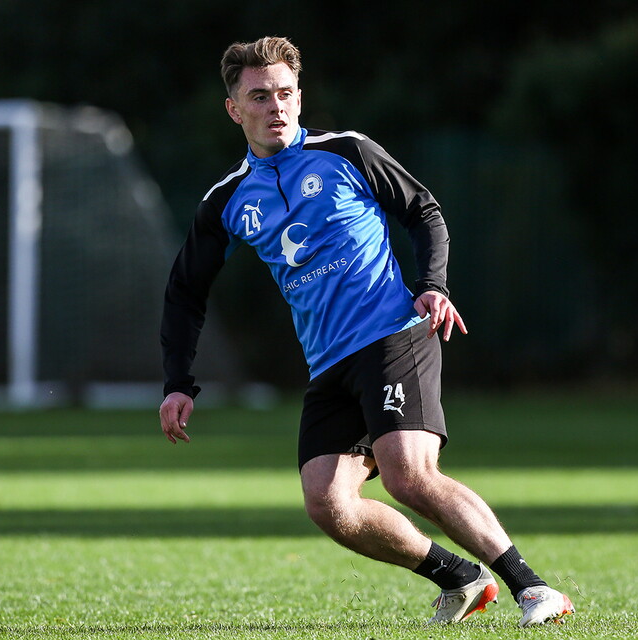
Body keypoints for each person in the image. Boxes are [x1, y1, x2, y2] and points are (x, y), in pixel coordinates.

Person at [158, 36, 574, 627]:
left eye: (284, 93)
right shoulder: (226, 200)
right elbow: (184, 292)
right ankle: (457, 578)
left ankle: (534, 589)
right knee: (328, 504)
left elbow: (423, 209)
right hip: (329, 362)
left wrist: (434, 283)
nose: (275, 106)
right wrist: (178, 382)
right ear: (234, 109)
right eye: (258, 96)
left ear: (299, 98)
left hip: (392, 333)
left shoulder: (346, 151)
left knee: (409, 475)